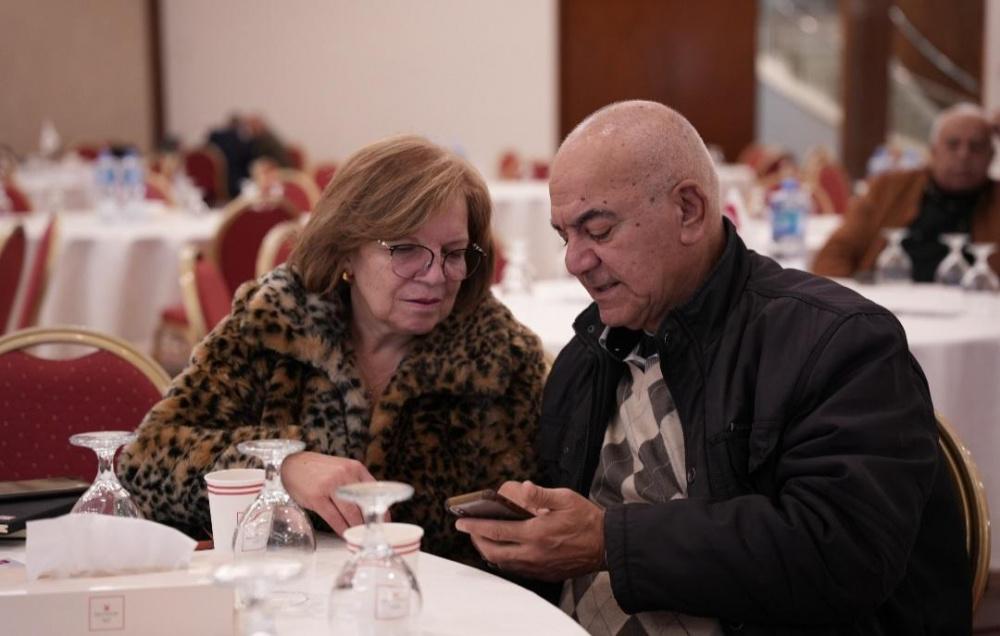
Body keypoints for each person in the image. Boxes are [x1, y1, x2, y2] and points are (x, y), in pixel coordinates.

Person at [456, 101, 969, 634]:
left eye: (600, 231)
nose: (574, 261)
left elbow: (841, 553)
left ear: (689, 210)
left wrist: (609, 541)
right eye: (566, 237)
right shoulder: (590, 355)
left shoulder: (838, 342)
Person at [118, 135, 547, 566]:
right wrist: (282, 469)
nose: (436, 275)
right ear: (346, 251)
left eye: (453, 253)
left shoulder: (501, 359)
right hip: (282, 592)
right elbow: (144, 462)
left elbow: (531, 542)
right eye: (405, 250)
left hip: (435, 599)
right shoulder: (276, 324)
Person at [814, 102, 1000, 281]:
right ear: (933, 151)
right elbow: (834, 254)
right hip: (886, 299)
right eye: (953, 145)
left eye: (976, 147)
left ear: (991, 155)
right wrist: (850, 299)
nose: (964, 155)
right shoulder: (889, 188)